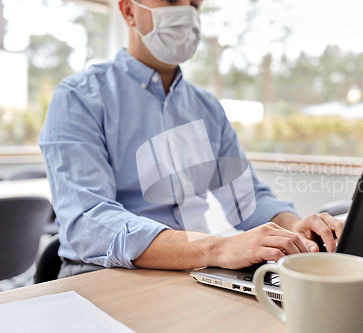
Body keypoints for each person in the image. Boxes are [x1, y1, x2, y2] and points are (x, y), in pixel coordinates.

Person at [38, 0, 344, 278]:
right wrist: (218, 248)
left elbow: (247, 198)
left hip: (193, 272)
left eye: (195, 5)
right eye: (172, 0)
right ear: (129, 11)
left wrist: (292, 226)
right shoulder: (79, 98)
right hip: (103, 275)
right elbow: (89, 223)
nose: (186, 13)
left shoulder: (207, 108)